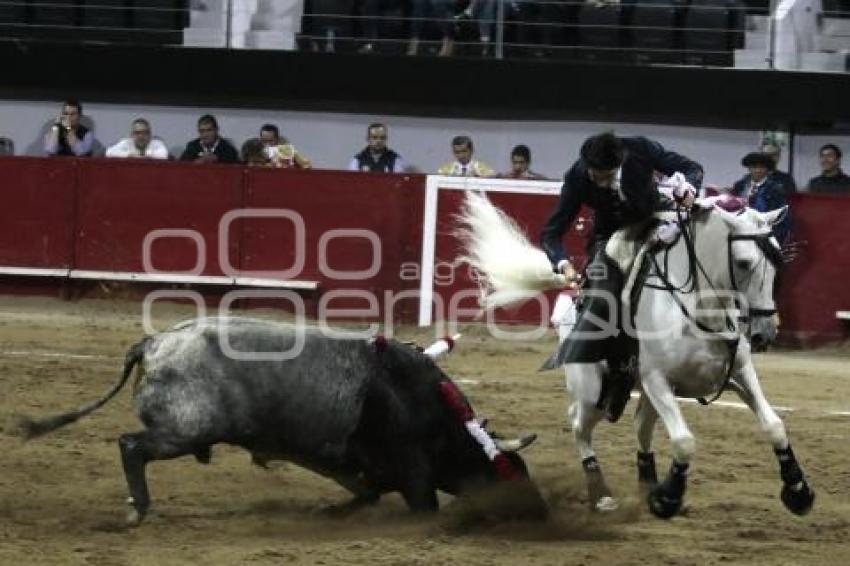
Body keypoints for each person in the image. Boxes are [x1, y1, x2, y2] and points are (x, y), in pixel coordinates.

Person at [540, 132, 703, 422]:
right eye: (595, 175)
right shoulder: (578, 176)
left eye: (606, 176)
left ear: (620, 162)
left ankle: (705, 343)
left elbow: (693, 169)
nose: (599, 182)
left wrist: (687, 189)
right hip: (610, 237)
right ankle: (620, 375)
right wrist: (563, 264)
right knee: (606, 297)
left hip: (657, 219)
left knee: (700, 260)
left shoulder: (639, 148)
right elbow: (551, 232)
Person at [731, 152, 791, 243]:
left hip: (764, 236)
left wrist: (771, 236)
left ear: (767, 169)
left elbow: (782, 217)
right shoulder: (740, 186)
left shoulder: (775, 190)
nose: (758, 170)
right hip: (740, 233)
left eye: (762, 167)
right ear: (749, 168)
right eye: (754, 167)